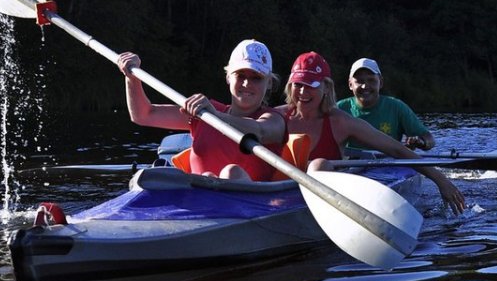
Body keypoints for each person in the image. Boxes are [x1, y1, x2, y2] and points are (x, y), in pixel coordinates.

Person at [277, 51, 466, 214]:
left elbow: (400, 150)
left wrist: (441, 180)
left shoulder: (345, 120)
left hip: (346, 180)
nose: (303, 91)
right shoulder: (277, 116)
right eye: (298, 84)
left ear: (326, 88)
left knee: (319, 166)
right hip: (294, 189)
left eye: (312, 84)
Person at [116, 39, 285, 181]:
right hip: (197, 203)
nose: (247, 84)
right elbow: (144, 115)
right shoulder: (203, 113)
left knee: (231, 172)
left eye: (256, 78)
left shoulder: (274, 119)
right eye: (240, 76)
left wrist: (215, 116)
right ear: (228, 77)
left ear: (269, 83)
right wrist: (131, 78)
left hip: (249, 207)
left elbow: (260, 131)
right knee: (207, 176)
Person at [337, 58, 435, 151]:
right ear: (350, 85)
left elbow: (429, 139)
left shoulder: (396, 107)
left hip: (388, 164)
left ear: (381, 82)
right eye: (359, 81)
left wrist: (421, 142)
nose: (365, 86)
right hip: (351, 166)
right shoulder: (338, 109)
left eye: (371, 80)